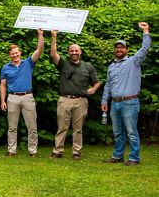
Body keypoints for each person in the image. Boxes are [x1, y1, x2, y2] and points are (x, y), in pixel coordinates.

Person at [101, 22, 151, 166]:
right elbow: (108, 85)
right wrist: (104, 101)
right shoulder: (111, 66)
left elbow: (144, 48)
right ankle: (118, 156)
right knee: (117, 133)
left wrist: (146, 31)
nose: (119, 49)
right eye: (117, 47)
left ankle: (134, 158)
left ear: (126, 50)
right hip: (114, 103)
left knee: (131, 132)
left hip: (130, 103)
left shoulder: (133, 62)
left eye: (122, 47)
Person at [50, 31, 102, 160]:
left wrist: (94, 89)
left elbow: (97, 82)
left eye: (76, 51)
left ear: (80, 52)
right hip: (64, 100)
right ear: (69, 53)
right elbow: (53, 54)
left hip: (81, 101)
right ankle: (58, 151)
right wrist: (54, 37)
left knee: (78, 129)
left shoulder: (88, 66)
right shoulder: (63, 64)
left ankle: (76, 152)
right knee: (62, 127)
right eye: (71, 51)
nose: (74, 53)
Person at [0, 29, 44, 157]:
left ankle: (33, 151)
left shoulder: (28, 63)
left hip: (27, 97)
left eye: (16, 53)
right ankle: (11, 150)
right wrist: (3, 100)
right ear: (10, 55)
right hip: (12, 98)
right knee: (12, 127)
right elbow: (2, 85)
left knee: (32, 127)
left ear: (20, 53)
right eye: (12, 53)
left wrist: (40, 34)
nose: (15, 55)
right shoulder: (5, 68)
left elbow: (39, 50)